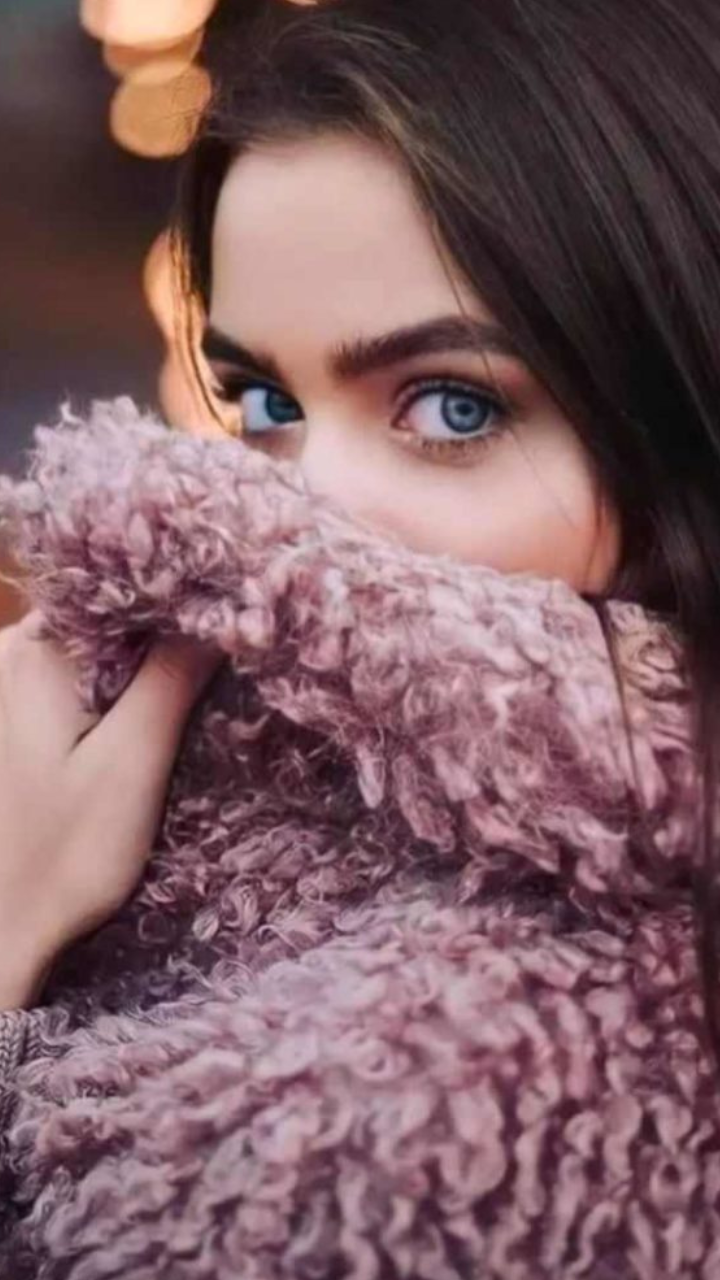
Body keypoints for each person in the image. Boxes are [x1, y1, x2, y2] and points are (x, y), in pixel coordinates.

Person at [2, 0, 720, 1273]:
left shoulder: (481, 1093)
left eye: (451, 404)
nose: (288, 505)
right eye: (266, 402)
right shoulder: (187, 821)